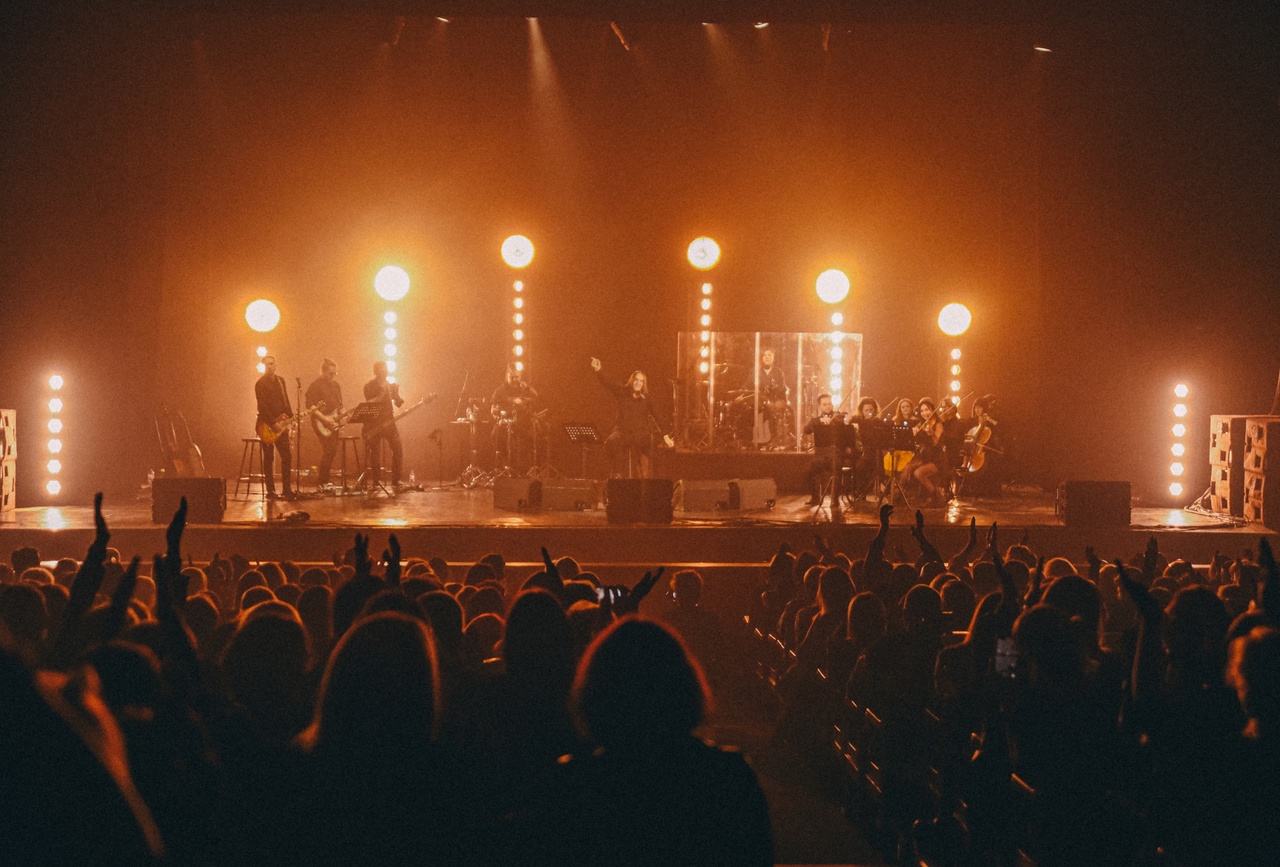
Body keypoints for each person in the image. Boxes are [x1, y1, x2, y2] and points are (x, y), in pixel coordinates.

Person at [591, 357, 669, 479]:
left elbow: (657, 416)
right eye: (636, 380)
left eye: (641, 381)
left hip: (641, 434)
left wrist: (665, 435)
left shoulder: (646, 398)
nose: (638, 383)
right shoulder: (622, 392)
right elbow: (608, 383)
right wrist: (599, 370)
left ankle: (657, 481)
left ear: (643, 384)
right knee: (611, 442)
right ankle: (617, 474)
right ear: (632, 381)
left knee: (657, 452)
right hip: (622, 432)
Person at [254, 356, 297, 500]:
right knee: (269, 458)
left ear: (276, 365)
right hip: (266, 424)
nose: (269, 366)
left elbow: (285, 401)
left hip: (281, 424)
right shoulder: (260, 384)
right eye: (267, 365)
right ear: (263, 367)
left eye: (271, 364)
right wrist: (273, 423)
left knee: (286, 456)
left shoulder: (281, 381)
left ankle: (287, 489)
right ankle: (270, 491)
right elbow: (262, 407)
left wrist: (291, 417)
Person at [363, 361, 405, 489]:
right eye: (382, 370)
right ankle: (376, 481)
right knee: (375, 452)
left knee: (397, 448)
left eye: (386, 370)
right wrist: (382, 394)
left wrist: (397, 394)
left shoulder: (390, 385)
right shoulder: (369, 386)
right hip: (374, 422)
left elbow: (398, 403)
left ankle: (396, 480)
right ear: (376, 372)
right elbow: (370, 403)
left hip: (389, 421)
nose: (384, 372)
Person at [490, 364, 540, 472]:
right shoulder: (500, 391)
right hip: (505, 421)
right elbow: (493, 409)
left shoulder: (523, 389)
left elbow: (536, 397)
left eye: (517, 377)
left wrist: (527, 387)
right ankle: (504, 464)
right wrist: (498, 417)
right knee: (495, 435)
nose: (514, 379)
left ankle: (526, 467)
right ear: (507, 375)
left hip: (522, 422)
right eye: (512, 377)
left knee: (532, 435)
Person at [900, 398, 947, 504]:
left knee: (918, 473)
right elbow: (915, 438)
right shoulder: (921, 423)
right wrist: (913, 432)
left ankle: (936, 496)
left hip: (936, 458)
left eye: (927, 410)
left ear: (932, 410)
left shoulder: (938, 424)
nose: (924, 413)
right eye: (922, 411)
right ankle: (900, 493)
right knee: (907, 468)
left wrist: (931, 433)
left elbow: (935, 443)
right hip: (924, 456)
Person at [306, 359, 344, 491]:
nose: (333, 376)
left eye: (335, 373)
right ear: (323, 371)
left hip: (333, 421)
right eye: (330, 373)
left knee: (332, 450)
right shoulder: (315, 385)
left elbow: (340, 405)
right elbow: (310, 406)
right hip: (320, 422)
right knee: (329, 449)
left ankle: (324, 481)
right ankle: (322, 482)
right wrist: (324, 420)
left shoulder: (336, 386)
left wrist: (343, 415)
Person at [803, 393, 845, 506]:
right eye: (824, 404)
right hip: (821, 456)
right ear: (820, 406)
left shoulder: (838, 418)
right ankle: (815, 497)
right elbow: (806, 430)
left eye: (829, 404)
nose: (827, 406)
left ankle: (834, 498)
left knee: (836, 466)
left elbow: (845, 430)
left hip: (835, 455)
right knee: (808, 471)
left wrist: (834, 422)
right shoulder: (816, 420)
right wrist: (819, 422)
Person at [755, 349, 790, 450]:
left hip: (775, 400)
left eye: (769, 355)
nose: (767, 357)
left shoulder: (778, 372)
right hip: (760, 401)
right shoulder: (757, 373)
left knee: (773, 410)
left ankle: (775, 439)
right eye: (765, 355)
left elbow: (782, 388)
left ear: (773, 358)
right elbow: (748, 385)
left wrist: (775, 390)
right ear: (762, 358)